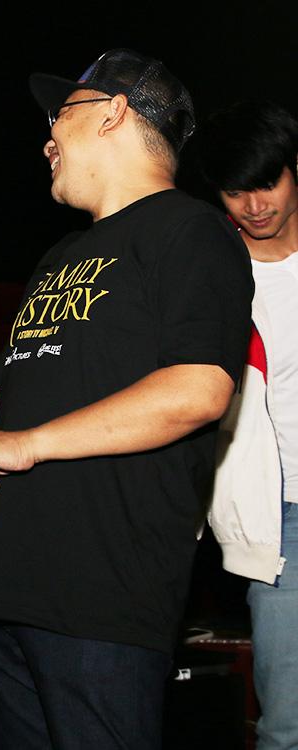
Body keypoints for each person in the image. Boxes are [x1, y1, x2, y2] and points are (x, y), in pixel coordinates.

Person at [0, 49, 254, 749]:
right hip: (4, 592)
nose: (47, 138)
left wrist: (30, 444)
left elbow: (199, 388)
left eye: (60, 115)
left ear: (113, 113)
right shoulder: (60, 256)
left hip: (101, 599)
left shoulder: (193, 233)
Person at [198, 100, 298, 750]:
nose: (254, 205)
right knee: (287, 725)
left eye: (267, 183)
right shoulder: (212, 267)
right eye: (236, 191)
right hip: (282, 513)